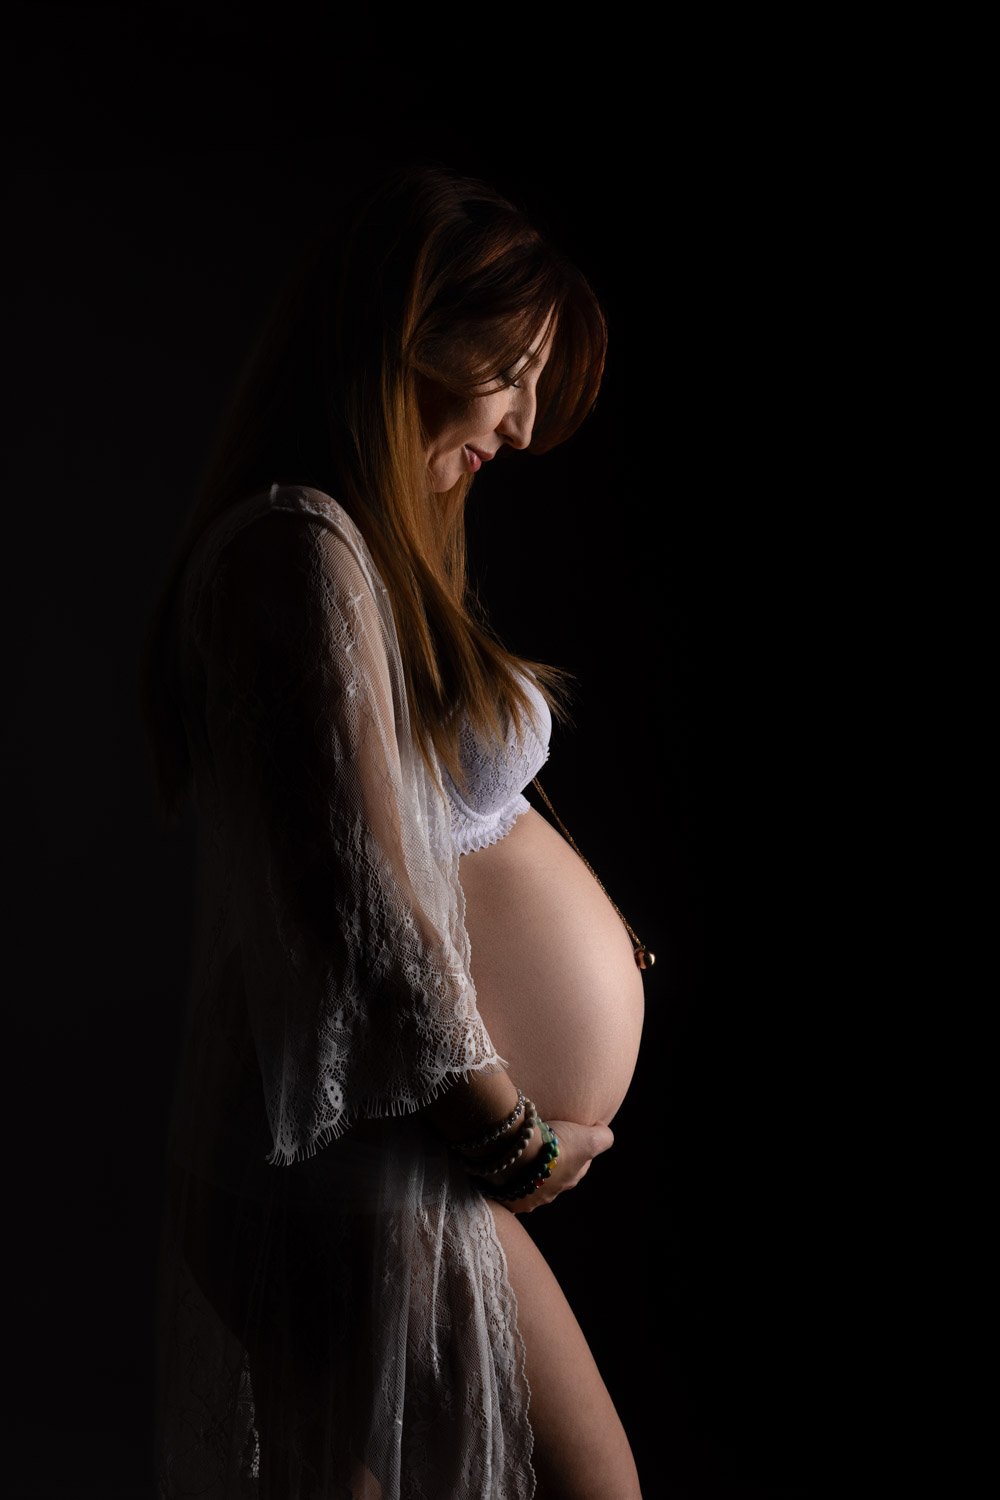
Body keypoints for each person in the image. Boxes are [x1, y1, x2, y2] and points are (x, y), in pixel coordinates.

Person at [141, 161, 648, 1499]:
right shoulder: (294, 551)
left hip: (390, 1158)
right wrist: (512, 1135)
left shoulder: (352, 553)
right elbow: (363, 916)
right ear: (411, 332)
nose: (524, 425)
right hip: (348, 1163)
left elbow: (416, 835)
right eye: (511, 373)